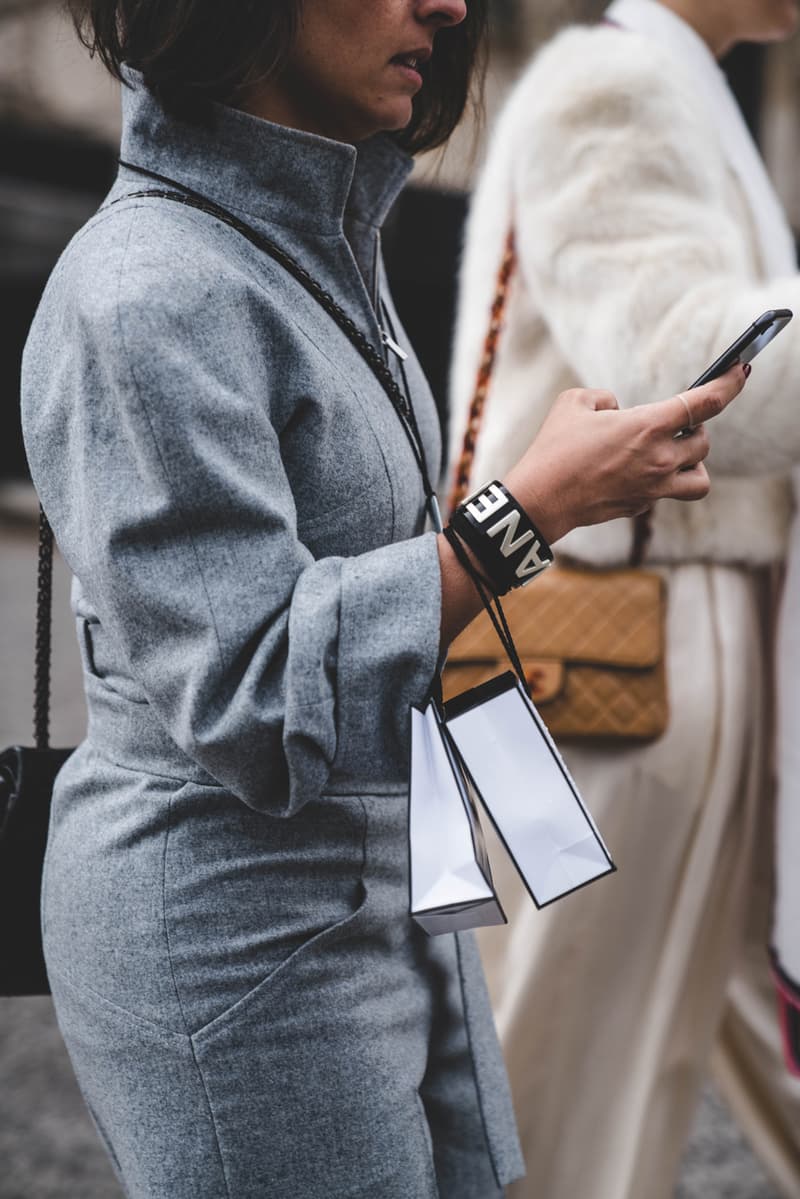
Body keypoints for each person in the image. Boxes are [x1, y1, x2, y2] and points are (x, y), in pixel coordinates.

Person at [20, 2, 746, 1196]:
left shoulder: (316, 246)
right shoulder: (150, 288)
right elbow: (252, 692)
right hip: (237, 937)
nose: (450, 5)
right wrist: (524, 515)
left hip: (392, 888)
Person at [449, 1, 800, 1196]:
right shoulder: (610, 82)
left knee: (597, 1054)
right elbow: (682, 379)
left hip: (632, 643)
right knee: (567, 1082)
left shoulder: (668, 84)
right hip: (618, 658)